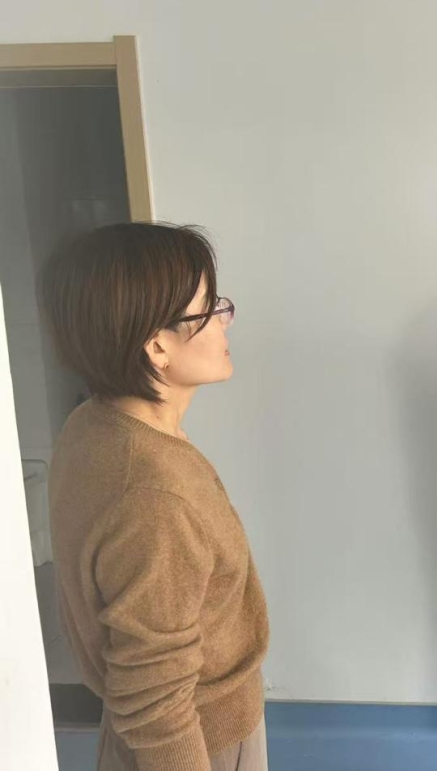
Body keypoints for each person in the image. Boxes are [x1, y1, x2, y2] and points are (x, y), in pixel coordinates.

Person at [41, 223, 270, 771]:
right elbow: (157, 704)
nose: (224, 319)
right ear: (156, 344)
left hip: (140, 734)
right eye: (209, 309)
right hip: (199, 743)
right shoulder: (153, 495)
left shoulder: (94, 424)